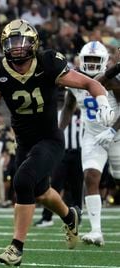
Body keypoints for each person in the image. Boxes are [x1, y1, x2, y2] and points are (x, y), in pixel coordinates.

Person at [0, 19, 115, 266]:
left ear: (34, 44)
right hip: (24, 142)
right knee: (40, 192)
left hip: (49, 139)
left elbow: (89, 83)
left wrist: (103, 101)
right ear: (3, 45)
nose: (17, 48)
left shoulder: (48, 63)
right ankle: (69, 216)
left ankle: (16, 248)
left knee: (22, 180)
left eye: (22, 42)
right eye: (12, 43)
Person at [62, 41, 120, 246]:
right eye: (89, 60)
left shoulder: (112, 81)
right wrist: (58, 133)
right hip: (92, 136)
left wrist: (113, 129)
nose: (93, 64)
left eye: (97, 60)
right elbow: (69, 106)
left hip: (117, 135)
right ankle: (96, 231)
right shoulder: (73, 79)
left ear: (104, 61)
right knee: (91, 176)